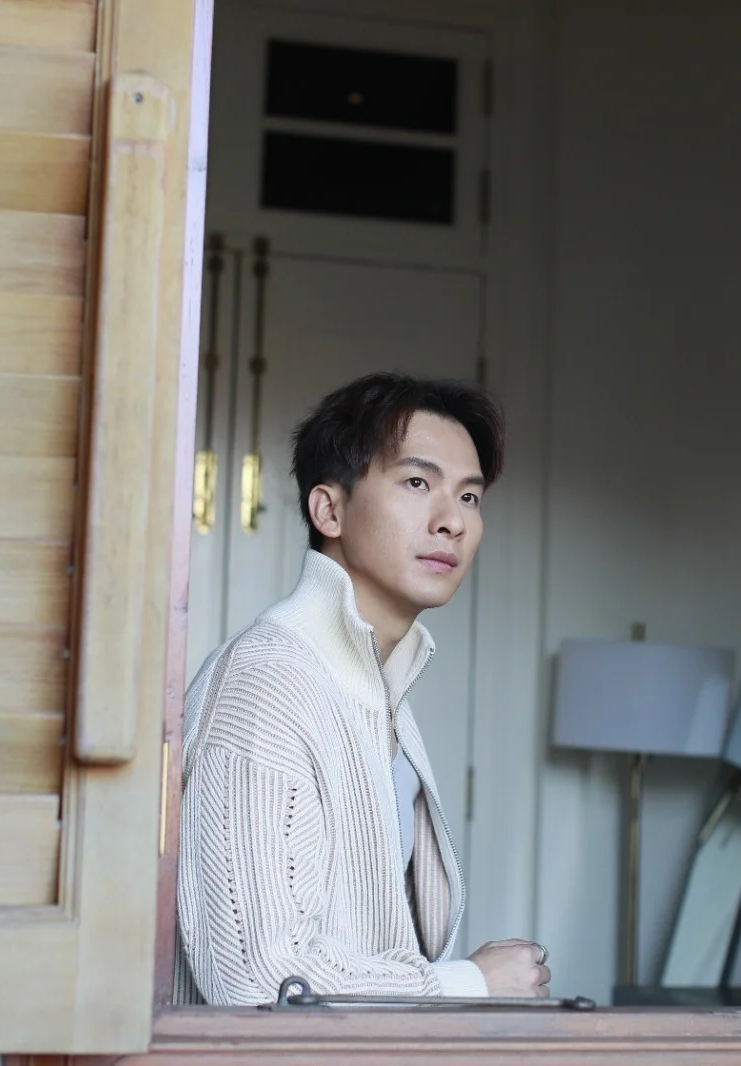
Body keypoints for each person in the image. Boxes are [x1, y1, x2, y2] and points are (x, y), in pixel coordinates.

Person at [174, 372, 552, 1006]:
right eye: (417, 483)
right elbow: (258, 981)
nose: (452, 522)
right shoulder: (265, 685)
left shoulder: (379, 694)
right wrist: (469, 982)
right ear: (330, 510)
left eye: (469, 497)